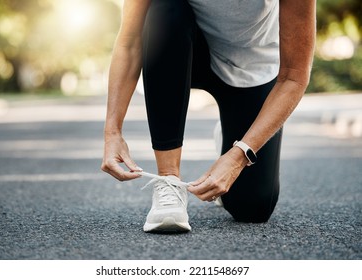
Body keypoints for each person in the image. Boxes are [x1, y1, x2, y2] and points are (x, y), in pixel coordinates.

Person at [101, 0, 316, 232]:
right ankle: (169, 180)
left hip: (251, 67)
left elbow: (294, 77)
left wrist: (239, 154)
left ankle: (231, 137)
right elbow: (130, 42)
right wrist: (112, 132)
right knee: (164, 9)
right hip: (189, 49)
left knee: (253, 207)